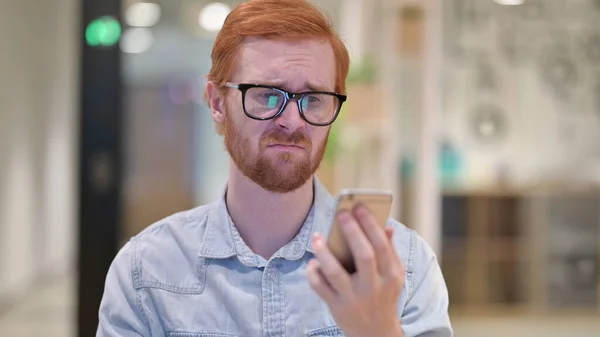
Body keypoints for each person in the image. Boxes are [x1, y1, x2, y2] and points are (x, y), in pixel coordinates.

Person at [96, 0, 453, 336]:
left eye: (313, 99)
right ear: (217, 102)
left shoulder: (400, 268)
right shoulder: (146, 272)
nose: (292, 121)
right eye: (267, 95)